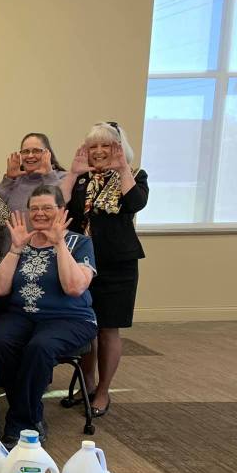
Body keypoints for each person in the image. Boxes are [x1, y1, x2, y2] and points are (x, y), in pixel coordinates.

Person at [0, 186, 98, 447]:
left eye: (47, 208)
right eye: (34, 208)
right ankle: (31, 413)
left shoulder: (79, 243)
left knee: (40, 347)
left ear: (62, 211)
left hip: (70, 318)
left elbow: (74, 288)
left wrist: (59, 244)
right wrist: (15, 249)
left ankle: (21, 423)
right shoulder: (22, 241)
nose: (40, 213)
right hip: (22, 314)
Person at [60, 121, 149, 417]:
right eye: (93, 146)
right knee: (87, 325)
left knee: (108, 328)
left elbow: (135, 203)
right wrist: (73, 173)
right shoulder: (82, 179)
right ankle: (86, 383)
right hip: (81, 262)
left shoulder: (135, 175)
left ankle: (103, 391)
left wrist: (122, 169)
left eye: (106, 145)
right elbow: (59, 206)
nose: (98, 151)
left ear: (119, 148)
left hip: (117, 264)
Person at [0, 132, 68, 213]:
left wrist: (48, 175)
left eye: (36, 151)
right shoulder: (14, 181)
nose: (30, 156)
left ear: (48, 153)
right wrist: (9, 180)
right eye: (26, 151)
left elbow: (64, 202)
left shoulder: (63, 177)